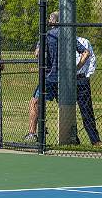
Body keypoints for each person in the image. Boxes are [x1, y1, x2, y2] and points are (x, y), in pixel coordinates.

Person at [25, 11, 89, 142]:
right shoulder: (69, 36)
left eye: (50, 19)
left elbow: (37, 53)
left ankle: (32, 133)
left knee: (35, 102)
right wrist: (75, 69)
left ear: (52, 22)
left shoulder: (46, 35)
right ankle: (71, 136)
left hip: (48, 77)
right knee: (66, 106)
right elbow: (86, 53)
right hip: (65, 79)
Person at [74, 36, 102, 147]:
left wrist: (86, 75)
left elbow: (92, 59)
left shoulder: (84, 42)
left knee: (87, 110)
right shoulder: (61, 42)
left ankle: (95, 140)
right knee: (67, 110)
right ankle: (73, 139)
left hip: (81, 79)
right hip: (66, 80)